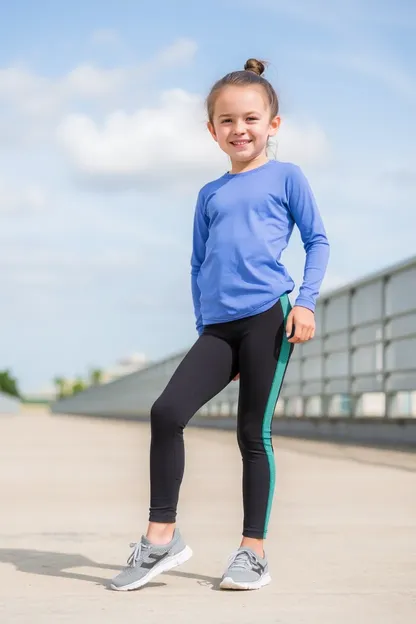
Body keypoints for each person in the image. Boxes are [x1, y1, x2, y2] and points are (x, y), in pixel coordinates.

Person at [110, 58, 330, 592]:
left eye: (251, 119)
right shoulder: (209, 194)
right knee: (166, 412)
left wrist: (306, 302)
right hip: (217, 328)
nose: (240, 129)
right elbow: (197, 264)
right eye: (227, 121)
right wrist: (204, 327)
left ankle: (252, 552)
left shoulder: (287, 176)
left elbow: (317, 241)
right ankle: (161, 540)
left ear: (272, 125)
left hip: (268, 319)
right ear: (213, 131)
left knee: (252, 433)